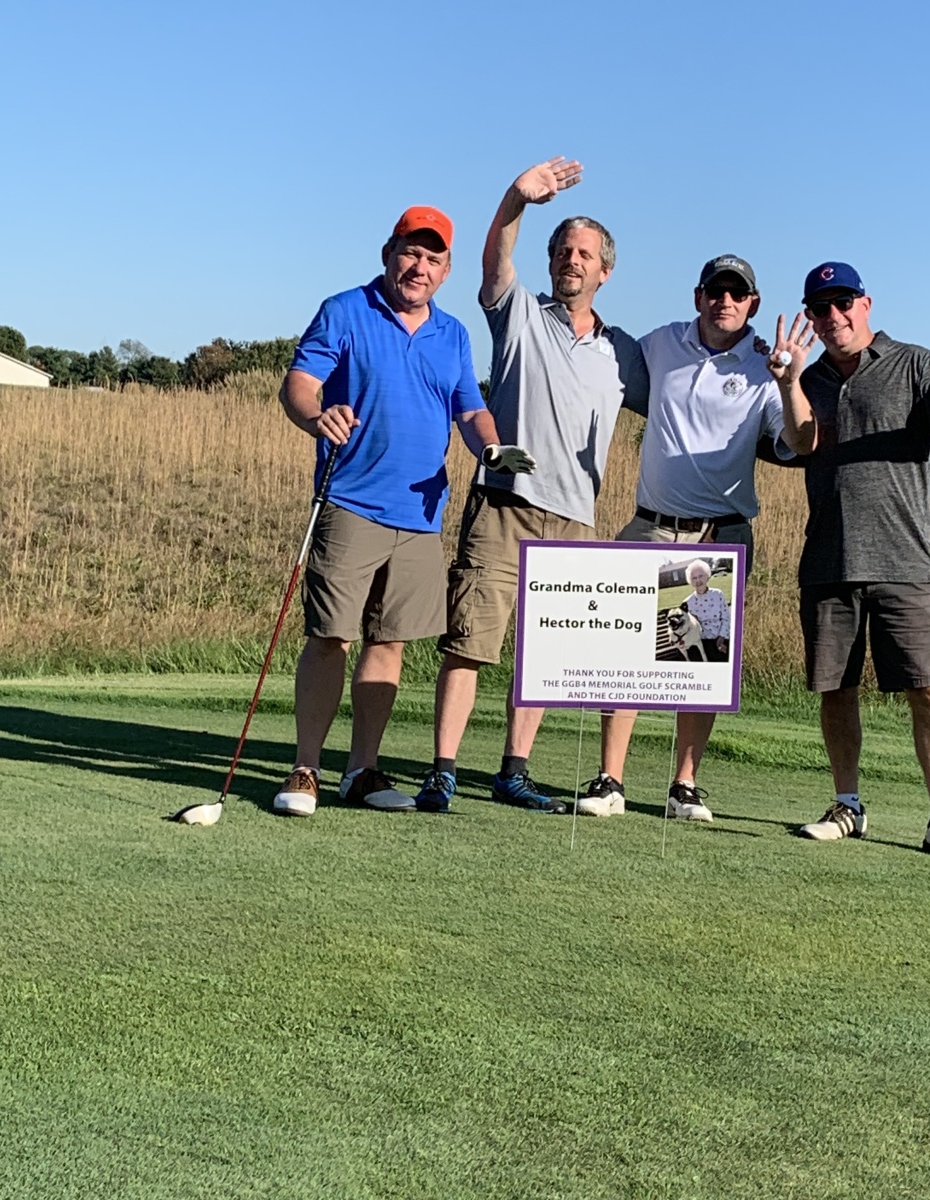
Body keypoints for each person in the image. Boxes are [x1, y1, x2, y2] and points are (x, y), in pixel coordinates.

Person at [272, 207, 534, 818]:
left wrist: (490, 446)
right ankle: (306, 767)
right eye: (410, 253)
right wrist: (317, 416)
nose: (419, 267)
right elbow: (299, 385)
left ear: (445, 271)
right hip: (350, 501)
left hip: (420, 515)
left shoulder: (453, 334)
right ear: (389, 253)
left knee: (389, 642)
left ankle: (361, 769)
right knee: (330, 636)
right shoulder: (345, 310)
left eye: (433, 258)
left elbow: (470, 409)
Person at [416, 158, 649, 815]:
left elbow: (684, 405)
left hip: (574, 520)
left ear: (605, 270)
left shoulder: (623, 351)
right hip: (504, 505)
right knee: (470, 639)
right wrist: (516, 199)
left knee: (545, 658)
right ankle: (443, 770)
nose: (571, 260)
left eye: (584, 254)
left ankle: (513, 771)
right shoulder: (518, 314)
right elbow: (495, 260)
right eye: (563, 250)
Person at [578, 255, 817, 822]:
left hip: (719, 532)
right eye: (716, 290)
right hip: (652, 522)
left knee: (698, 663)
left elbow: (802, 442)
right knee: (623, 655)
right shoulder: (660, 345)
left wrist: (790, 380)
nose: (725, 301)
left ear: (752, 304)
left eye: (737, 294)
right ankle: (611, 777)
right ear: (698, 295)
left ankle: (684, 784)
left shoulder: (767, 368)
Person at [791, 261, 930, 867]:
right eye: (821, 308)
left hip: (906, 561)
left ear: (866, 304)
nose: (834, 317)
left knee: (928, 692)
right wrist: (788, 380)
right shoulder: (809, 378)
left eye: (843, 303)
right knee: (837, 689)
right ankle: (847, 805)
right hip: (829, 556)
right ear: (810, 316)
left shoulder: (913, 363)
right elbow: (799, 441)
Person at [680, 558, 730, 662]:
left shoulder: (718, 594)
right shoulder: (687, 603)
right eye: (694, 578)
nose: (698, 581)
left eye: (700, 576)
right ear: (690, 581)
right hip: (702, 643)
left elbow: (726, 618)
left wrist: (721, 638)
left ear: (707, 576)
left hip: (722, 637)